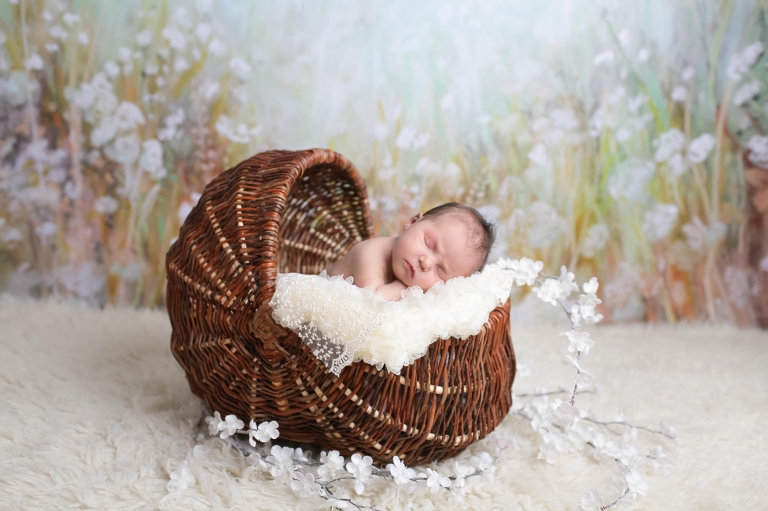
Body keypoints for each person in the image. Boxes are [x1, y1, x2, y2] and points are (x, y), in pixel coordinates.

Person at [325, 202, 496, 301]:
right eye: (429, 244)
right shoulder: (369, 253)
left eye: (440, 271)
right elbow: (371, 301)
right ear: (413, 221)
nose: (426, 262)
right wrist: (404, 288)